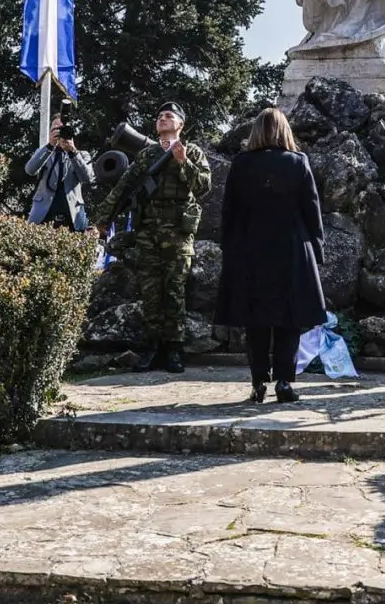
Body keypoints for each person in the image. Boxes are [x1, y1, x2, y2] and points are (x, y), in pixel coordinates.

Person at [214, 107, 326, 404]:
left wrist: (229, 248)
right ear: (284, 130)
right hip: (291, 249)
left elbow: (229, 211)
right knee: (290, 319)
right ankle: (285, 382)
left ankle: (258, 382)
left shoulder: (241, 163)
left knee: (256, 320)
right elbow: (311, 209)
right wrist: (317, 248)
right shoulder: (298, 162)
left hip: (250, 249)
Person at [93, 101, 211, 374]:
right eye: (159, 116)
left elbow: (203, 187)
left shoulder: (192, 152)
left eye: (169, 116)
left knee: (174, 292)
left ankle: (174, 349)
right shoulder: (147, 155)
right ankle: (152, 347)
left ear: (180, 124)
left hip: (178, 233)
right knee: (150, 293)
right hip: (148, 233)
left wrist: (183, 162)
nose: (163, 119)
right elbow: (123, 188)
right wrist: (102, 220)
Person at [25, 114, 94, 231]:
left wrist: (72, 152)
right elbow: (30, 170)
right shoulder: (43, 152)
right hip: (43, 216)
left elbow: (88, 178)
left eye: (62, 130)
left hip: (73, 218)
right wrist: (50, 146)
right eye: (56, 129)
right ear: (50, 132)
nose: (59, 133)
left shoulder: (82, 155)